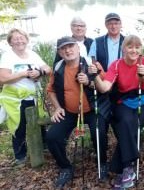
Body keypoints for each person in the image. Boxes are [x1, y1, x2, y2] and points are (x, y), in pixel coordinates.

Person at [90, 35, 144, 189]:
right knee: (125, 122)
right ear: (123, 48)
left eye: (137, 47)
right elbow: (104, 87)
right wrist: (95, 76)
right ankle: (128, 168)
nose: (134, 50)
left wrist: (142, 75)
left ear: (141, 49)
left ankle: (123, 167)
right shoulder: (116, 65)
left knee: (130, 124)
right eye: (130, 47)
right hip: (124, 100)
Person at [46, 36, 108, 188]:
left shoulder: (91, 63)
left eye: (71, 46)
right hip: (69, 112)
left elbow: (105, 87)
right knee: (52, 136)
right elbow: (51, 91)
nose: (68, 50)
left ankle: (102, 162)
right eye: (63, 48)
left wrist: (89, 82)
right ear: (60, 52)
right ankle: (66, 167)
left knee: (98, 132)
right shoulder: (58, 68)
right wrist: (57, 108)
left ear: (78, 48)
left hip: (93, 109)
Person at [0, 28, 51, 166]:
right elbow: (2, 78)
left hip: (34, 96)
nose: (19, 40)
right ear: (10, 42)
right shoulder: (7, 56)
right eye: (15, 38)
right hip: (16, 100)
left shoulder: (33, 54)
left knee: (40, 123)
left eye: (21, 38)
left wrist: (39, 72)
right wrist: (23, 74)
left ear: (27, 40)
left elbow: (47, 68)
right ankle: (20, 155)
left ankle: (44, 147)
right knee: (19, 126)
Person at [87, 12, 125, 177]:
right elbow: (91, 62)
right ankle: (101, 161)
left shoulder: (127, 42)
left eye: (116, 23)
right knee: (100, 127)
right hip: (102, 87)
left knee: (122, 124)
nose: (113, 26)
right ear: (106, 25)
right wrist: (97, 70)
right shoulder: (97, 42)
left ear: (120, 24)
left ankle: (124, 158)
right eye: (110, 23)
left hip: (121, 88)